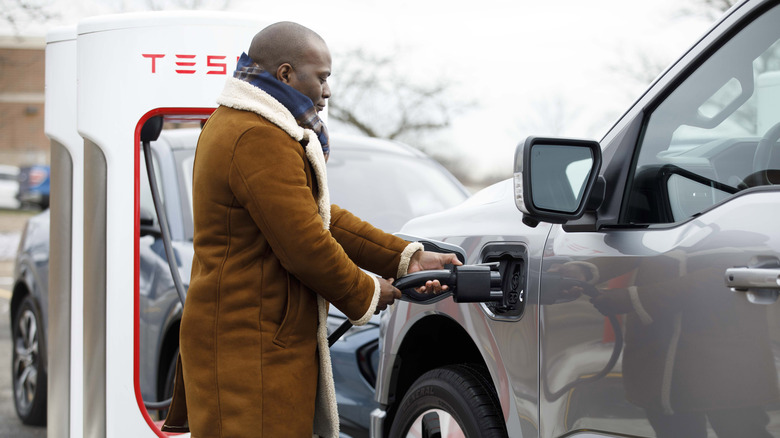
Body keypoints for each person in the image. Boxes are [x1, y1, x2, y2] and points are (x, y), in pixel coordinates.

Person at [161, 21, 460, 438]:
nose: (328, 91)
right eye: (322, 77)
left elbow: (319, 216)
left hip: (255, 342)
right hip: (250, 350)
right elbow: (305, 244)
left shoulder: (250, 127)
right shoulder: (255, 135)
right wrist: (368, 290)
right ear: (285, 74)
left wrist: (405, 258)